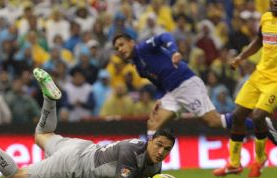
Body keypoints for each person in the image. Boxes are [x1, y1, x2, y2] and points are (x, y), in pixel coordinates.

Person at [0, 68, 177, 178]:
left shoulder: (154, 157)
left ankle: (50, 99)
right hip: (74, 165)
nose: (161, 152)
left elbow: (148, 175)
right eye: (159, 145)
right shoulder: (132, 152)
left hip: (81, 147)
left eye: (166, 149)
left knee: (41, 135)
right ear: (150, 141)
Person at [112, 32, 277, 144]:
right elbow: (160, 85)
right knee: (153, 123)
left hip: (186, 83)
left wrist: (174, 51)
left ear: (131, 42)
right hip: (172, 92)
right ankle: (149, 168)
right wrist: (159, 99)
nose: (120, 49)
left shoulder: (143, 49)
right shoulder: (139, 68)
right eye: (117, 48)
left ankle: (262, 123)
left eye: (122, 44)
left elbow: (164, 36)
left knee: (213, 121)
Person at [213, 1, 277, 178]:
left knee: (258, 116)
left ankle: (261, 157)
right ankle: (234, 163)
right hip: (259, 75)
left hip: (275, 82)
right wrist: (240, 58)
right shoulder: (265, 18)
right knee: (238, 116)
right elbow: (259, 41)